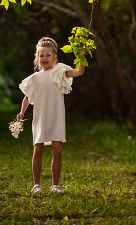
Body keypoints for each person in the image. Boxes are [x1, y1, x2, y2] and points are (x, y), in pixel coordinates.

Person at [17, 37, 85, 195]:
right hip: (40, 117)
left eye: (48, 55)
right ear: (37, 58)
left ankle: (55, 185)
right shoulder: (34, 78)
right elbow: (27, 97)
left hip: (56, 117)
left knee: (58, 150)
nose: (44, 58)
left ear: (55, 57)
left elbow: (79, 72)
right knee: (38, 150)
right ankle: (37, 185)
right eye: (41, 55)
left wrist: (81, 56)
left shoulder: (60, 70)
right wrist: (22, 112)